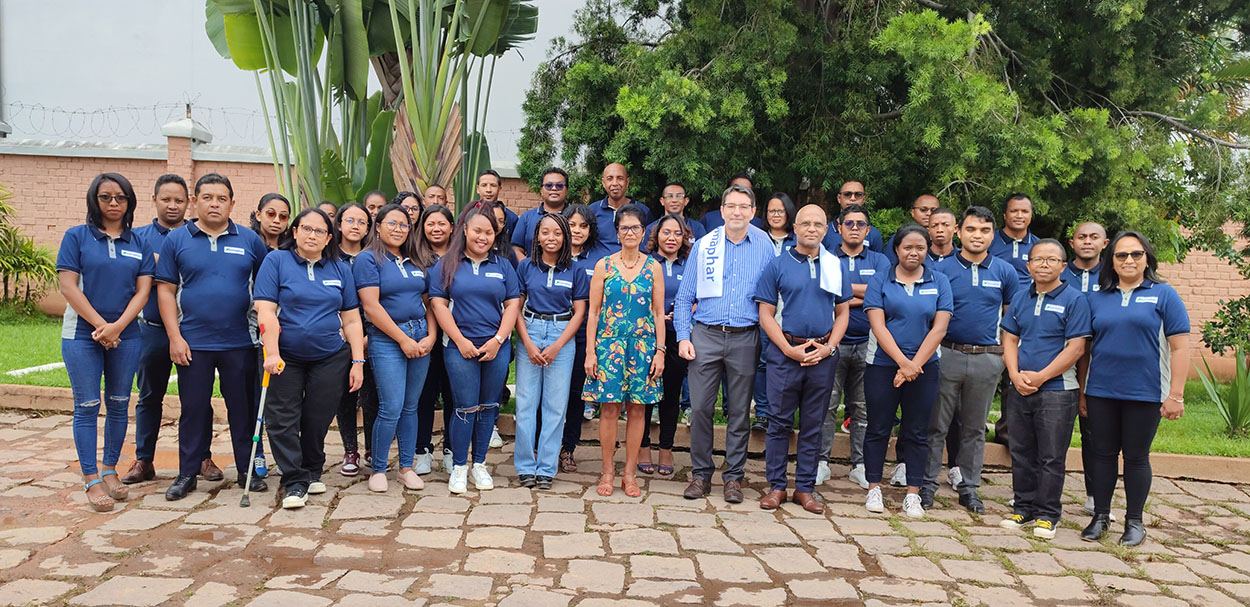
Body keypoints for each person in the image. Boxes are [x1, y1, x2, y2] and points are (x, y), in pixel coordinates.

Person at [156, 173, 271, 500]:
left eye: (222, 198)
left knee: (242, 410)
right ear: (196, 201)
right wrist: (175, 338)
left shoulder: (250, 241)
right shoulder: (176, 240)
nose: (215, 204)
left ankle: (247, 470)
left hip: (240, 342)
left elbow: (265, 292)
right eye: (207, 197)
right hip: (193, 343)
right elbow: (165, 291)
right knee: (193, 409)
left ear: (232, 203)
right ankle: (187, 473)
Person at [1079, 231, 1189, 546]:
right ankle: (1100, 517)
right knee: (1102, 455)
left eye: (1136, 254)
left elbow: (1180, 348)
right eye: (1121, 255)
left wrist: (1175, 395)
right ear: (1111, 261)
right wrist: (1083, 392)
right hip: (1101, 391)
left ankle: (1134, 523)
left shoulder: (1164, 295)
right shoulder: (1096, 298)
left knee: (1136, 457)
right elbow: (1085, 350)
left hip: (1145, 392)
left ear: (1147, 258)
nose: (1129, 260)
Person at [254, 208, 366, 509]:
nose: (312, 235)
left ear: (329, 237)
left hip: (330, 356)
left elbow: (352, 320)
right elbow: (266, 311)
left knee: (317, 417)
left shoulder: (340, 268)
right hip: (285, 356)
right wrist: (272, 351)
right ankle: (294, 480)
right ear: (295, 232)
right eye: (306, 229)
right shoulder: (276, 261)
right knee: (282, 418)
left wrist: (358, 362)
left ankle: (313, 469)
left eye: (319, 231)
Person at [58, 173, 153, 512]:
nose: (114, 203)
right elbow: (69, 286)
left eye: (121, 197)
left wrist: (118, 327)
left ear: (130, 202)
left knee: (117, 402)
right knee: (86, 406)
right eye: (106, 197)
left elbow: (143, 290)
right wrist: (101, 326)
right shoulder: (77, 237)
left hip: (126, 334)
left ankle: (110, 469)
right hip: (83, 334)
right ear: (93, 200)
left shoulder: (138, 242)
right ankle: (90, 478)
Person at [675, 184, 776, 503]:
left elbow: (774, 295)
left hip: (746, 336)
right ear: (722, 211)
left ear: (753, 212)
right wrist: (682, 336)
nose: (736, 212)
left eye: (743, 207)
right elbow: (684, 297)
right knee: (701, 407)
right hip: (705, 333)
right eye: (731, 206)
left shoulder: (765, 246)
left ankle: (734, 477)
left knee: (738, 411)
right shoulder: (706, 245)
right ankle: (701, 474)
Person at [922, 207, 1020, 513]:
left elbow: (1011, 320)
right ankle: (926, 486)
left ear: (992, 234)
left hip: (987, 359)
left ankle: (969, 487)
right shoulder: (940, 270)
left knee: (975, 428)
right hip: (946, 354)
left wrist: (1004, 357)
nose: (978, 236)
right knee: (935, 425)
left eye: (985, 231)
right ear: (959, 232)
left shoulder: (1005, 271)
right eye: (972, 230)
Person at [754, 204, 851, 513]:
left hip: (823, 354)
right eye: (806, 223)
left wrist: (830, 347)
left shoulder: (834, 265)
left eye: (818, 224)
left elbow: (843, 311)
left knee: (814, 423)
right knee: (778, 422)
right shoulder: (778, 264)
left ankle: (805, 488)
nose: (812, 228)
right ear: (794, 228)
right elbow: (765, 314)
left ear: (827, 230)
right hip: (786, 354)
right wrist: (787, 348)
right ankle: (777, 486)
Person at [999, 239, 1091, 539]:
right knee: (1021, 450)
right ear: (1028, 265)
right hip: (1020, 386)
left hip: (1057, 391)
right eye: (1038, 259)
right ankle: (1023, 508)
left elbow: (1076, 348)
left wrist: (1040, 378)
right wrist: (1014, 374)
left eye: (1051, 260)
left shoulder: (1075, 300)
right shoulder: (1022, 297)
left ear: (1063, 266)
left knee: (1051, 455)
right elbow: (1010, 338)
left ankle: (1048, 514)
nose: (1044, 265)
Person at [429, 204, 522, 493]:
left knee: (488, 406)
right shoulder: (447, 264)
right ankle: (459, 466)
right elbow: (438, 305)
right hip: (459, 347)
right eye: (477, 230)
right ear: (465, 230)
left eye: (489, 232)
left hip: (496, 348)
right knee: (465, 407)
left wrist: (498, 341)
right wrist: (460, 341)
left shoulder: (503, 265)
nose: (483, 236)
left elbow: (512, 305)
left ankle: (479, 465)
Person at [862, 225, 952, 518]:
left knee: (916, 431)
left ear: (927, 250)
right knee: (878, 428)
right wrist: (903, 363)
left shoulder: (939, 281)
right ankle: (874, 487)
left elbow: (939, 328)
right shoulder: (880, 280)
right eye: (907, 248)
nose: (913, 253)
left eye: (920, 248)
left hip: (926, 368)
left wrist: (914, 366)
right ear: (897, 250)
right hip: (882, 366)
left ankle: (913, 493)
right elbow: (878, 325)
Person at [584, 204, 665, 497]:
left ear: (643, 232)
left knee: (638, 410)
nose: (630, 233)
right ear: (616, 232)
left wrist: (660, 351)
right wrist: (590, 352)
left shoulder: (653, 266)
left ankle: (629, 474)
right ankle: (607, 471)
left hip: (643, 347)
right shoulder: (603, 266)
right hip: (609, 346)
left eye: (635, 228)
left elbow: (658, 312)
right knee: (608, 409)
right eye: (624, 228)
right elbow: (593, 312)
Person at [356, 203, 437, 492]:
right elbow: (371, 307)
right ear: (377, 226)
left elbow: (429, 303)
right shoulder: (368, 260)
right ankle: (378, 468)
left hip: (420, 335)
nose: (398, 229)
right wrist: (402, 339)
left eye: (404, 225)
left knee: (410, 406)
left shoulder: (416, 260)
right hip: (388, 338)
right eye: (392, 223)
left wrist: (431, 336)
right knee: (390, 406)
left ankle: (405, 467)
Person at [122, 174, 197, 485]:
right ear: (153, 199)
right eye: (166, 199)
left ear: (188, 203)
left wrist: (156, 267)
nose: (172, 205)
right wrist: (158, 265)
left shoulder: (199, 235)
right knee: (149, 396)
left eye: (179, 200)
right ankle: (144, 459)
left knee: (196, 397)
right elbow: (135, 275)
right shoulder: (138, 237)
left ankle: (201, 457)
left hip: (193, 330)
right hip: (152, 330)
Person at [513, 213, 588, 490]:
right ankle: (524, 466)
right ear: (537, 236)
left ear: (565, 236)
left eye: (557, 233)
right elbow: (515, 307)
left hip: (562, 334)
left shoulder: (576, 270)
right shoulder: (526, 267)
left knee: (555, 406)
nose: (551, 238)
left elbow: (580, 311)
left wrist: (558, 345)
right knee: (526, 403)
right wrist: (529, 344)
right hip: (530, 330)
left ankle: (546, 468)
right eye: (545, 232)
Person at [820, 204, 891, 488]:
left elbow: (883, 291)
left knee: (862, 409)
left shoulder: (880, 260)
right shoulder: (826, 258)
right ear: (838, 228)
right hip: (832, 342)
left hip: (869, 343)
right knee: (826, 406)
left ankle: (859, 465)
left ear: (868, 230)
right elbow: (826, 293)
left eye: (860, 224)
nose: (854, 228)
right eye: (848, 223)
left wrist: (845, 293)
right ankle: (821, 462)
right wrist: (865, 290)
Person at [557, 204, 611, 472]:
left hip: (584, 339)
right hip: (553, 337)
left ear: (591, 230)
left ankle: (568, 448)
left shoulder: (601, 260)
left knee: (576, 395)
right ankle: (544, 444)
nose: (576, 230)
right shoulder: (552, 253)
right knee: (551, 395)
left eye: (583, 226)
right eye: (572, 224)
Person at [1061, 221, 1109, 517]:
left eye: (1094, 237)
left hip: (1099, 363)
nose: (1087, 242)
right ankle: (1036, 493)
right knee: (1054, 433)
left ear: (1105, 243)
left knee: (1095, 435)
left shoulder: (1114, 275)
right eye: (1082, 237)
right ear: (1072, 242)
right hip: (1061, 360)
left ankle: (1095, 496)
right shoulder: (1060, 273)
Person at [642, 214, 692, 476]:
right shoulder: (647, 263)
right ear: (656, 235)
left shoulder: (690, 264)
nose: (671, 238)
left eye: (677, 233)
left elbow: (699, 297)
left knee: (670, 395)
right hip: (647, 335)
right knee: (645, 393)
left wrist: (686, 311)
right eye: (666, 232)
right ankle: (642, 447)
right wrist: (655, 314)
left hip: (678, 336)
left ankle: (666, 448)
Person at [333, 203, 378, 477]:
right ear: (338, 224)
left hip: (371, 335)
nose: (355, 226)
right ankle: (350, 449)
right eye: (349, 220)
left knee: (372, 394)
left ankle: (373, 447)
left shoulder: (374, 257)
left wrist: (366, 336)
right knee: (344, 395)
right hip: (337, 337)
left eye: (362, 222)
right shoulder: (329, 258)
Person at [413, 204, 457, 474]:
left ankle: (452, 449)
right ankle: (422, 450)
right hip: (424, 337)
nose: (436, 228)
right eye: (430, 224)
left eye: (442, 223)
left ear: (452, 227)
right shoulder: (414, 256)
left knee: (453, 395)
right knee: (424, 395)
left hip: (456, 336)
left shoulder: (460, 257)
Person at [752, 192, 797, 432]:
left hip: (793, 309)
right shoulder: (757, 239)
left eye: (780, 211)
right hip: (763, 307)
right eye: (771, 211)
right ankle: (762, 414)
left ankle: (783, 416)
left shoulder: (798, 240)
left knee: (788, 362)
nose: (776, 215)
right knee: (763, 362)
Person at [513, 167, 571, 261]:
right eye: (548, 185)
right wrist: (528, 268)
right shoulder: (527, 217)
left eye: (559, 185)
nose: (554, 188)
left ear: (566, 190)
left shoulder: (574, 217)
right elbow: (516, 248)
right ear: (541, 190)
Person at [592, 163, 651, 251]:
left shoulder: (643, 211)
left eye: (620, 178)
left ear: (627, 182)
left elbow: (650, 243)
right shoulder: (593, 210)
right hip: (600, 263)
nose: (615, 183)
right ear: (603, 183)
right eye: (610, 179)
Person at [988, 193, 1039, 291]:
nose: (1019, 216)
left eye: (1025, 211)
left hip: (1027, 303)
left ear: (1031, 215)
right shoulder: (989, 241)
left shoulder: (1038, 246)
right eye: (1014, 211)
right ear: (1005, 215)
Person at [821, 180, 884, 252]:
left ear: (864, 199)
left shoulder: (873, 234)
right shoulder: (824, 232)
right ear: (839, 198)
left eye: (858, 194)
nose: (853, 198)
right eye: (847, 194)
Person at [642, 182, 707, 250]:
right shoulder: (651, 228)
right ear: (662, 201)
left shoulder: (698, 228)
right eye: (669, 196)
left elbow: (703, 253)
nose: (674, 200)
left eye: (679, 196)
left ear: (686, 201)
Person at [884, 195, 941, 264]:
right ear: (913, 212)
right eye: (923, 209)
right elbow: (889, 265)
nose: (928, 213)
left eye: (934, 210)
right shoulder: (901, 237)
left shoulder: (943, 237)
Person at [701, 174, 767, 231]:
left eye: (746, 190)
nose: (740, 192)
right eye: (736, 188)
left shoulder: (758, 224)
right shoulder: (710, 219)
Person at [477, 169, 518, 236]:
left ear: (499, 189)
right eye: (484, 185)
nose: (488, 190)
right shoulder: (467, 214)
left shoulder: (511, 218)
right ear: (478, 189)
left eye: (493, 185)